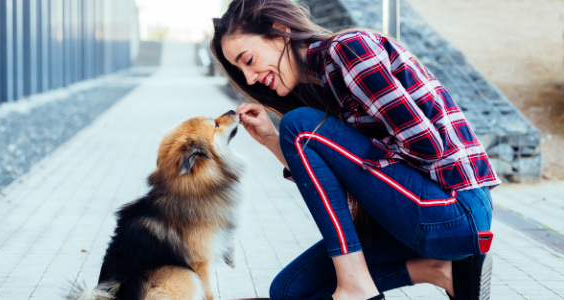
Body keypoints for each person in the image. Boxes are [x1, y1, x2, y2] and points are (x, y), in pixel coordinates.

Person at [210, 0, 500, 299]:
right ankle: (439, 271)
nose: (249, 78)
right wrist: (272, 140)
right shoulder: (324, 87)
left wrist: (351, 162)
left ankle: (355, 285)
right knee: (289, 290)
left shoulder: (349, 49)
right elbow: (336, 187)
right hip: (414, 215)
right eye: (239, 70)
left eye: (248, 60)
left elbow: (426, 146)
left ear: (280, 31)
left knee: (299, 125)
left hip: (455, 209)